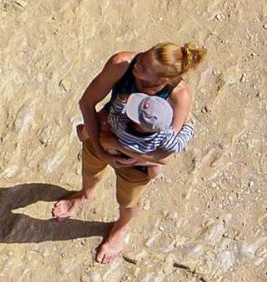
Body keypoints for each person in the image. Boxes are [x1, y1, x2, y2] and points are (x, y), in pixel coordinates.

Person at [53, 42, 207, 263]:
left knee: (128, 201)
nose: (137, 64)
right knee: (90, 170)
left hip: (136, 158)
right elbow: (87, 102)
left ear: (162, 80)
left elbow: (165, 155)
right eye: (143, 56)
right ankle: (85, 194)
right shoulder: (122, 64)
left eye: (144, 67)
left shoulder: (179, 96)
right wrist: (99, 144)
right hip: (104, 136)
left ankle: (120, 229)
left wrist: (125, 150)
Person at [97, 93, 195, 173]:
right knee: (154, 171)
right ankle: (151, 166)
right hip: (140, 155)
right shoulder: (162, 136)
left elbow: (113, 115)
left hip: (120, 152)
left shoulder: (120, 126)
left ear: (137, 124)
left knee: (104, 125)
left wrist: (121, 100)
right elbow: (177, 145)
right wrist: (188, 126)